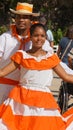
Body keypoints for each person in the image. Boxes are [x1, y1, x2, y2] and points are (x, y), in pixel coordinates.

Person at [0, 23, 73, 130]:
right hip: (21, 100)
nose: (39, 39)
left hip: (43, 101)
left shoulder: (51, 57)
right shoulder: (22, 55)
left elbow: (66, 76)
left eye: (42, 36)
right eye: (36, 35)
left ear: (46, 38)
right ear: (30, 37)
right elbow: (2, 72)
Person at [0, 2, 40, 104]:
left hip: (26, 90)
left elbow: (52, 59)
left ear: (31, 20)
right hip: (4, 87)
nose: (21, 20)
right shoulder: (5, 38)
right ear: (15, 19)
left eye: (25, 17)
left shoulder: (38, 41)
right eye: (19, 17)